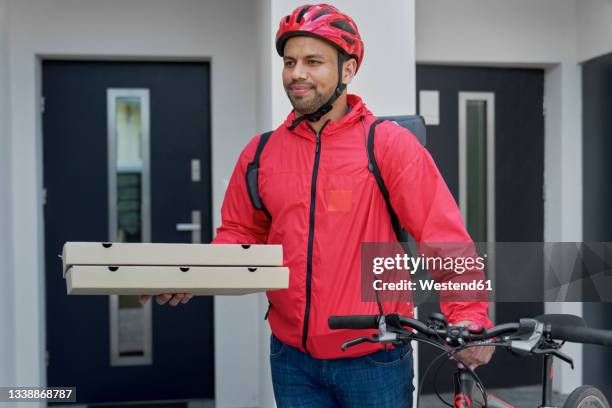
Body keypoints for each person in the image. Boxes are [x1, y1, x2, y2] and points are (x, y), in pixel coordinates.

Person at [140, 4, 493, 407]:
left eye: (313, 61)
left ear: (347, 69)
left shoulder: (387, 145)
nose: (297, 74)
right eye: (290, 62)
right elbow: (239, 237)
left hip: (373, 360)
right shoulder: (262, 153)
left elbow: (442, 235)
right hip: (292, 361)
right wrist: (195, 275)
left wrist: (469, 314)